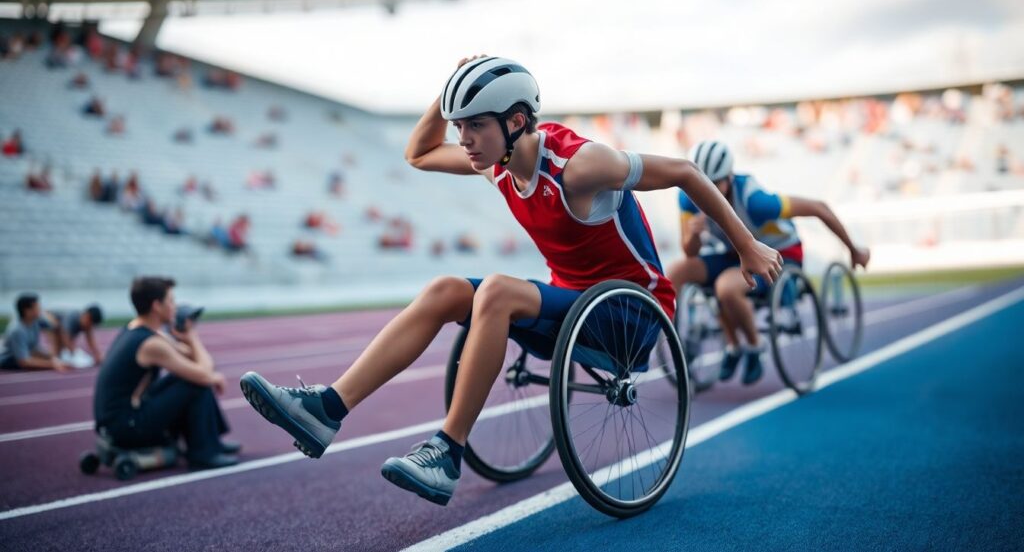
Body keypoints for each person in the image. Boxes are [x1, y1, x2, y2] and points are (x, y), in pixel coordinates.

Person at [239, 56, 782, 506]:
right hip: (568, 306)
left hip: (631, 313)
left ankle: (447, 452)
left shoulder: (580, 166)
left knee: (496, 289)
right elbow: (418, 154)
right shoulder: (494, 161)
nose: (465, 139)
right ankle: (327, 410)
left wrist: (746, 245)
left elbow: (687, 172)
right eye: (460, 126)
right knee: (446, 289)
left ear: (518, 121)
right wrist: (450, 88)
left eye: (475, 125)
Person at [666, 140, 871, 385]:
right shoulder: (688, 198)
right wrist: (693, 234)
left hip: (779, 254)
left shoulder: (756, 202)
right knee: (676, 271)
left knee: (726, 288)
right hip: (735, 254)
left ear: (729, 179)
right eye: (701, 186)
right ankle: (695, 341)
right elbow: (690, 252)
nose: (707, 194)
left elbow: (819, 208)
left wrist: (853, 249)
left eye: (715, 185)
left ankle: (754, 346)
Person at [93, 277, 239, 469]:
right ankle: (203, 453)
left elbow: (193, 358)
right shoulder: (152, 344)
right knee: (195, 383)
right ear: (156, 306)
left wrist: (188, 341)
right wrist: (193, 338)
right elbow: (204, 371)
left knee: (185, 378)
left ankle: (212, 442)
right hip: (126, 427)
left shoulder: (138, 329)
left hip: (117, 421)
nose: (175, 306)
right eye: (171, 301)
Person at [0, 293, 67, 371]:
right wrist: (52, 364)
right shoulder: (17, 330)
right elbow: (24, 362)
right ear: (27, 311)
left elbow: (56, 326)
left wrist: (54, 356)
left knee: (49, 356)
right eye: (37, 307)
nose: (40, 310)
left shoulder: (36, 320)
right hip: (10, 361)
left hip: (30, 354)